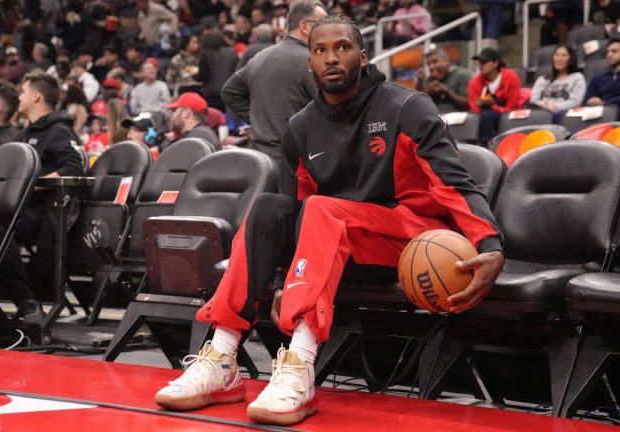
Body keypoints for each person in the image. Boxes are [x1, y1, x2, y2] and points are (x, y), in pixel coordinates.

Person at [154, 15, 504, 426]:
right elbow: (293, 212)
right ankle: (222, 358)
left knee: (322, 208)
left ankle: (299, 363)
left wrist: (491, 244)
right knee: (269, 207)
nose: (331, 58)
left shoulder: (408, 106)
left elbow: (454, 183)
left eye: (342, 47)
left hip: (409, 237)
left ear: (364, 55)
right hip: (335, 238)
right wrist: (288, 277)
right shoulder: (300, 127)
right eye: (320, 50)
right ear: (309, 62)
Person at [221, 0, 328, 192]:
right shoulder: (311, 61)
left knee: (262, 218)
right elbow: (330, 110)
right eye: (323, 23)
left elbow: (229, 92)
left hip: (258, 162)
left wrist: (256, 119)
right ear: (305, 26)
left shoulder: (261, 57)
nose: (328, 29)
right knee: (293, 219)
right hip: (295, 166)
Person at [15, 72, 85, 310]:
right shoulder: (24, 133)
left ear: (36, 96)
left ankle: (24, 296)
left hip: (43, 210)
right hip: (19, 206)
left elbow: (74, 168)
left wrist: (31, 185)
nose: (19, 96)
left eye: (22, 91)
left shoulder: (59, 130)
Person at [467, 47, 523, 141]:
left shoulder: (511, 77)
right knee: (483, 116)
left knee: (487, 115)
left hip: (508, 115)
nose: (481, 66)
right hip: (484, 119)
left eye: (484, 62)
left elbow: (513, 107)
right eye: (480, 63)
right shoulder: (474, 83)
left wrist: (492, 105)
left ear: (496, 63)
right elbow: (475, 110)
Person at [584, 38, 620, 110]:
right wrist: (591, 101)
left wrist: (605, 103)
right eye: (608, 52)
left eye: (614, 51)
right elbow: (587, 99)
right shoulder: (598, 77)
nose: (609, 55)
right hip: (600, 113)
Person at [529, 45, 586, 117]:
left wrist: (556, 106)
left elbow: (576, 101)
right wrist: (544, 105)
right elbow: (533, 101)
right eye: (557, 55)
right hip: (542, 115)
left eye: (564, 55)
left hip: (565, 115)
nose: (559, 59)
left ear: (571, 59)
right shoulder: (542, 79)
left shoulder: (577, 77)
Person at [418, 47, 471, 113]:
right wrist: (424, 87)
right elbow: (417, 105)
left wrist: (447, 92)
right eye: (428, 64)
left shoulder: (463, 75)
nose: (431, 67)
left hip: (458, 118)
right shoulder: (429, 80)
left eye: (435, 62)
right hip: (434, 119)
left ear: (446, 61)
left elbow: (469, 105)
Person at [196, 29, 239, 111]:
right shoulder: (232, 51)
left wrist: (194, 76)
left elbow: (203, 76)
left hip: (211, 93)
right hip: (228, 91)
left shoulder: (206, 53)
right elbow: (236, 70)